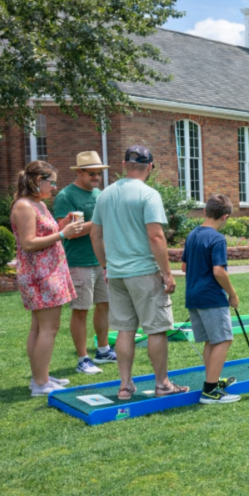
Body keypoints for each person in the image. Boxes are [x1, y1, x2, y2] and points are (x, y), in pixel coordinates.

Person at [90, 145, 189, 400]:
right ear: (150, 168)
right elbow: (156, 236)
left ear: (123, 165)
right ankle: (163, 384)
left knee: (125, 329)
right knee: (156, 330)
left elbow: (95, 234)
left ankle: (124, 386)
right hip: (144, 272)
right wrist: (167, 273)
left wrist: (105, 266)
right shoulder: (149, 194)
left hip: (117, 274)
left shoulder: (104, 195)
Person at [11, 161, 84, 395]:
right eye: (51, 182)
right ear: (36, 181)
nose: (54, 187)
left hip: (50, 272)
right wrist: (63, 233)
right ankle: (40, 384)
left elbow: (47, 233)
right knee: (48, 328)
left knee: (40, 327)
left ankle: (40, 377)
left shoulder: (38, 204)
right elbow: (29, 243)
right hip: (39, 275)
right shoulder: (24, 206)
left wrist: (64, 224)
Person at [53, 151, 114, 375]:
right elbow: (65, 232)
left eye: (99, 173)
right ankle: (82, 359)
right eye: (92, 173)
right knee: (80, 310)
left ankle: (104, 350)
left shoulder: (99, 193)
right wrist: (98, 222)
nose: (97, 177)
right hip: (78, 262)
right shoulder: (66, 196)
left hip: (101, 261)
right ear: (79, 172)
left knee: (105, 305)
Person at [181, 194, 241, 404]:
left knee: (211, 340)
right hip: (211, 297)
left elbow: (184, 267)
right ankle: (209, 391)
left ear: (205, 211)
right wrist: (232, 294)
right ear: (225, 216)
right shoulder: (217, 238)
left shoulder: (192, 235)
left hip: (193, 296)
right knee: (224, 339)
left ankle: (212, 382)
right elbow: (219, 272)